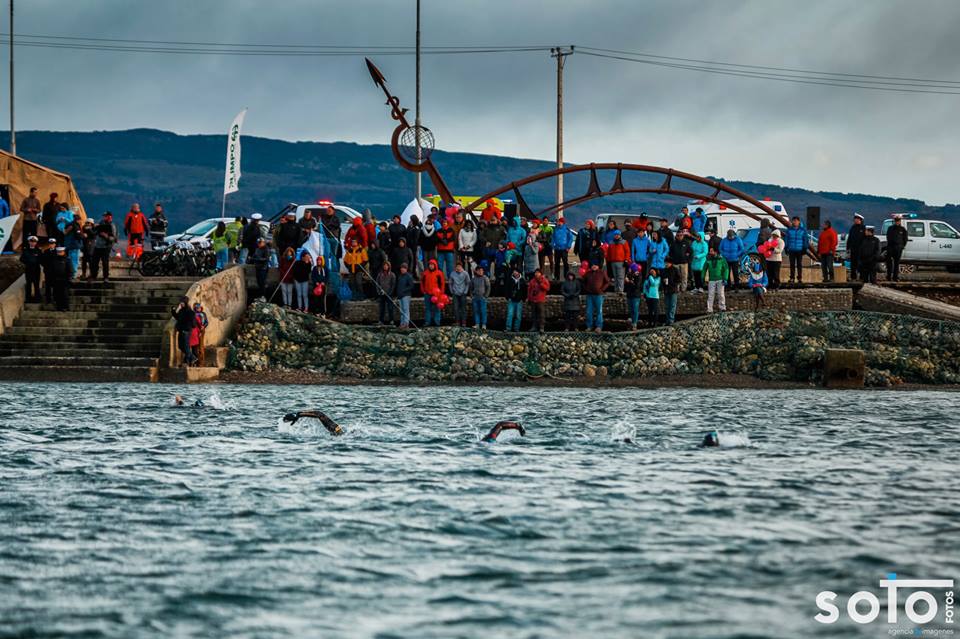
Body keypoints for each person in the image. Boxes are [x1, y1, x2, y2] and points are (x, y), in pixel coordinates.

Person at [89, 212, 117, 283]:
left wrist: (106, 236)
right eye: (104, 216)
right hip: (97, 246)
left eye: (106, 216)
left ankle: (106, 277)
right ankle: (93, 276)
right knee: (94, 262)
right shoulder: (100, 223)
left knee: (105, 262)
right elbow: (94, 233)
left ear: (110, 217)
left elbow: (114, 238)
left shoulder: (112, 225)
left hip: (106, 246)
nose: (104, 217)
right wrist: (93, 228)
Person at [582, 262, 610, 333]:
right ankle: (589, 326)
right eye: (592, 265)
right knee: (589, 311)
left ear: (598, 266)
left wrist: (602, 289)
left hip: (598, 295)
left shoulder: (602, 272)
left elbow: (607, 282)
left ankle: (599, 326)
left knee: (599, 311)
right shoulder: (588, 273)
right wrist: (586, 289)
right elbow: (583, 282)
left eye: (595, 265)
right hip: (589, 295)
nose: (594, 266)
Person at [172, 296, 198, 366]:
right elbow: (177, 317)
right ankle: (192, 357)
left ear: (185, 303)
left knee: (186, 346)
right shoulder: (181, 311)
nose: (181, 304)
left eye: (182, 302)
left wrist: (189, 327)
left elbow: (193, 323)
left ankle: (191, 359)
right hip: (181, 330)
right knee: (180, 346)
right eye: (180, 302)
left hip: (186, 331)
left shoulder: (190, 312)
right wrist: (173, 311)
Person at [421, 259, 446, 327]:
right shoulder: (425, 273)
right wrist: (423, 291)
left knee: (437, 308)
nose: (431, 266)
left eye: (432, 265)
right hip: (427, 294)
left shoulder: (439, 273)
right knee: (427, 308)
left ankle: (437, 322)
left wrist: (441, 292)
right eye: (430, 265)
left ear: (435, 265)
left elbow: (442, 283)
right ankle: (427, 322)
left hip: (436, 294)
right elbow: (422, 282)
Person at [704, 247, 729, 313]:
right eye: (710, 251)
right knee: (710, 294)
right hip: (711, 280)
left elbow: (726, 269)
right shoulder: (708, 260)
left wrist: (725, 278)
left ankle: (722, 308)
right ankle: (709, 309)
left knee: (721, 294)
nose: (710, 252)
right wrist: (702, 278)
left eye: (711, 251)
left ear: (715, 252)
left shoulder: (722, 259)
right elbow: (704, 269)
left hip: (720, 279)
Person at [885, 214, 909, 282]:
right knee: (889, 263)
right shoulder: (890, 228)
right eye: (896, 220)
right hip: (891, 247)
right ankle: (888, 276)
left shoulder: (903, 229)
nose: (897, 222)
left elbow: (905, 239)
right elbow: (888, 237)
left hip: (898, 248)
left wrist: (902, 246)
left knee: (896, 263)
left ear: (900, 221)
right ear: (894, 221)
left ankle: (895, 277)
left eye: (898, 221)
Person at [784, 216, 807, 283]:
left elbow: (805, 239)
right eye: (794, 221)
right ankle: (792, 278)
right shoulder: (789, 230)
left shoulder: (803, 230)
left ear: (799, 222)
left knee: (799, 264)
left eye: (796, 221)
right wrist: (786, 247)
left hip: (800, 250)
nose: (795, 222)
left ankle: (799, 278)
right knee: (792, 264)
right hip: (791, 249)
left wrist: (805, 248)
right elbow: (786, 239)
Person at [20, 236, 43, 302]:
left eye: (34, 241)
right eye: (31, 241)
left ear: (36, 242)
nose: (33, 243)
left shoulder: (38, 250)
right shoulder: (25, 250)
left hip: (36, 270)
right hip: (28, 270)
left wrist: (36, 261)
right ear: (29, 242)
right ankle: (28, 298)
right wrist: (28, 262)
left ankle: (37, 298)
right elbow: (21, 259)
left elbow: (41, 259)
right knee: (29, 284)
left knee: (36, 284)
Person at [527, 269, 550, 333]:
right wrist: (529, 298)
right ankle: (534, 327)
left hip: (540, 300)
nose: (536, 274)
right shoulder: (532, 281)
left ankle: (541, 327)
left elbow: (547, 288)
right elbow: (529, 290)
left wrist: (541, 283)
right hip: (533, 300)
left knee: (541, 314)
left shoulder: (544, 280)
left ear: (540, 273)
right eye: (535, 272)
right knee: (534, 314)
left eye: (538, 272)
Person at [660, 257, 681, 326]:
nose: (666, 264)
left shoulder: (675, 269)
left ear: (670, 263)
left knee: (672, 306)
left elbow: (679, 279)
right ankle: (667, 320)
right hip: (666, 290)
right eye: (665, 263)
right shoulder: (663, 270)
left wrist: (673, 283)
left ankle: (671, 320)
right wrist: (663, 282)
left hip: (673, 290)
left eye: (667, 263)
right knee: (667, 306)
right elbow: (662, 279)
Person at [470, 264, 491, 330]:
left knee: (483, 311)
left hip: (482, 297)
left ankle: (484, 325)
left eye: (482, 270)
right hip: (475, 298)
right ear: (476, 271)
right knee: (476, 311)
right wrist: (471, 296)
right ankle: (477, 324)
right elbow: (470, 288)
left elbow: (488, 287)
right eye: (479, 270)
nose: (481, 272)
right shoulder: (473, 279)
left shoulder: (485, 278)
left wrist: (486, 296)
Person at [846, 213, 866, 281]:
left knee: (860, 264)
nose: (855, 220)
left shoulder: (863, 228)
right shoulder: (853, 228)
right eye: (855, 219)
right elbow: (850, 238)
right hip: (853, 249)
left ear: (860, 220)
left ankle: (861, 277)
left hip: (860, 249)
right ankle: (853, 277)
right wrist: (848, 247)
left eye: (857, 219)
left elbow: (865, 239)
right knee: (853, 264)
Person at [395, 262, 415, 328]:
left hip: (406, 295)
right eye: (401, 268)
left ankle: (406, 323)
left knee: (405, 309)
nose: (402, 269)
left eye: (404, 268)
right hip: (400, 295)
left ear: (406, 269)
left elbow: (411, 286)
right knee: (401, 311)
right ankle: (402, 323)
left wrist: (404, 290)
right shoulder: (400, 276)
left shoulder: (409, 276)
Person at [624, 263, 643, 331]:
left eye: (630, 268)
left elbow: (637, 286)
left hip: (635, 295)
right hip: (629, 295)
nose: (629, 269)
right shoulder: (628, 275)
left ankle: (634, 323)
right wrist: (627, 282)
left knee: (635, 310)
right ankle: (632, 322)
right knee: (631, 310)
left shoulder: (639, 275)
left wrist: (629, 282)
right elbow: (626, 286)